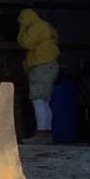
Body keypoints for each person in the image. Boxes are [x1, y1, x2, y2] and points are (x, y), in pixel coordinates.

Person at [16, 8, 59, 143]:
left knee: (38, 100)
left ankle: (41, 134)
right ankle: (46, 133)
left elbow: (25, 43)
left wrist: (22, 28)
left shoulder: (36, 27)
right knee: (44, 101)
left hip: (42, 66)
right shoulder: (46, 26)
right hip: (49, 65)